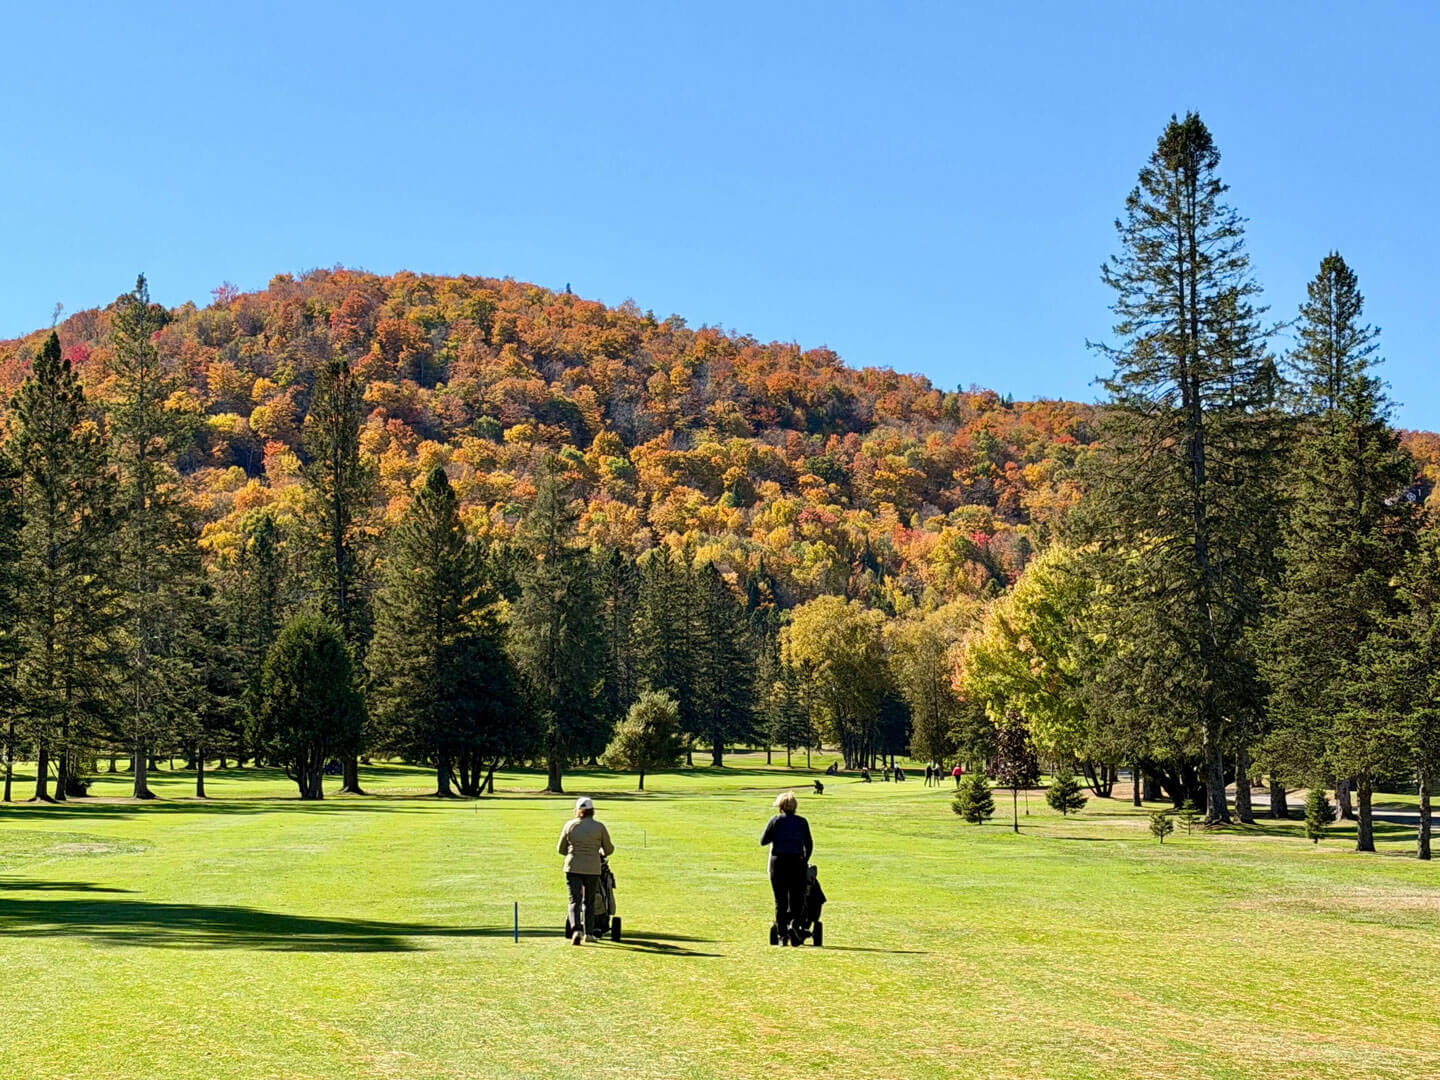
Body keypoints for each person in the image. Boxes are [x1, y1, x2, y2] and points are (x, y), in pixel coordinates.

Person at [557, 795, 614, 945]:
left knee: (574, 900)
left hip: (573, 866)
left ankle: (576, 929)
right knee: (589, 900)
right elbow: (608, 849)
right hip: (592, 868)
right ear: (592, 811)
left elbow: (561, 849)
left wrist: (572, 852)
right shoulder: (599, 827)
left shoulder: (569, 825)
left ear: (578, 810)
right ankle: (589, 933)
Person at [760, 791, 813, 946]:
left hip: (778, 862)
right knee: (797, 898)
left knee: (780, 900)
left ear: (780, 806)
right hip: (797, 862)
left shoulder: (775, 821)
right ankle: (796, 926)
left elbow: (764, 841)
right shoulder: (802, 822)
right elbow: (809, 845)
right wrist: (804, 860)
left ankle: (782, 934)